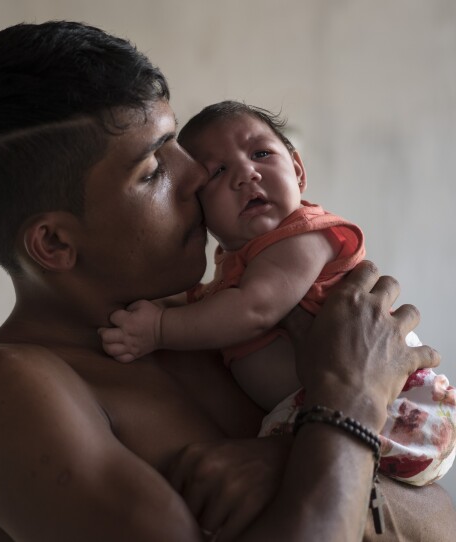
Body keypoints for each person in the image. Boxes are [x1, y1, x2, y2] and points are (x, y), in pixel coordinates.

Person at [0, 21, 456, 541]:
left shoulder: (216, 317)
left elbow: (440, 519)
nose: (196, 174)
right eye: (151, 170)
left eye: (176, 143)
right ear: (54, 244)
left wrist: (298, 457)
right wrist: (349, 404)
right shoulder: (8, 395)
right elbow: (373, 473)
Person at [99, 100, 456, 486]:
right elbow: (210, 304)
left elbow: (255, 308)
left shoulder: (302, 235)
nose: (246, 174)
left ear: (298, 171)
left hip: (395, 407)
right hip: (318, 414)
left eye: (261, 153)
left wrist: (159, 329)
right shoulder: (237, 264)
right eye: (217, 172)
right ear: (197, 211)